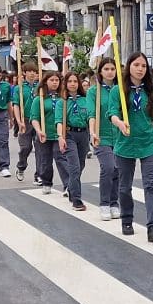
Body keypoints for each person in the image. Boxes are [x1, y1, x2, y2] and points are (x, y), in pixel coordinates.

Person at [109, 52, 153, 242]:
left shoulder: (150, 90)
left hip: (148, 143)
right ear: (129, 67)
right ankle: (127, 219)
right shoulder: (118, 91)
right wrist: (120, 123)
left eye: (143, 66)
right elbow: (112, 113)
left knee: (151, 185)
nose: (140, 69)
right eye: (136, 65)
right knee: (124, 187)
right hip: (125, 144)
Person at [88, 58, 121, 221]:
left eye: (112, 69)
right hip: (102, 136)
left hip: (120, 137)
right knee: (108, 168)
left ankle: (115, 203)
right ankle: (104, 204)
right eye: (106, 68)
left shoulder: (121, 90)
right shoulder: (94, 92)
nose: (110, 71)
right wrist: (93, 132)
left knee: (118, 170)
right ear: (100, 72)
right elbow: (92, 114)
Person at [55, 71, 90, 212]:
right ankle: (76, 199)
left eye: (75, 81)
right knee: (74, 167)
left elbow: (91, 117)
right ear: (65, 84)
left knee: (81, 165)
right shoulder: (62, 102)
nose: (73, 84)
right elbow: (59, 121)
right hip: (69, 134)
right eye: (70, 81)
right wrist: (60, 137)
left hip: (83, 134)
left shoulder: (86, 100)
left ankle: (70, 187)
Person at [30, 72, 61, 194]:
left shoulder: (63, 98)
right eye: (52, 80)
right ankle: (47, 182)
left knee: (61, 159)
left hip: (59, 135)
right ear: (46, 82)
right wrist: (39, 131)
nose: (54, 82)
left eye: (57, 80)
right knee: (46, 161)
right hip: (45, 135)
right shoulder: (39, 99)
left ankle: (68, 184)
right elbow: (34, 118)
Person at [12, 64, 40, 182]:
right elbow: (16, 105)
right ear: (24, 73)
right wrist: (19, 121)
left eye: (34, 71)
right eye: (29, 71)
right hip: (25, 120)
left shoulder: (41, 86)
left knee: (40, 148)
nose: (32, 73)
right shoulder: (19, 88)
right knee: (26, 147)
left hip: (38, 120)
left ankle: (39, 175)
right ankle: (21, 166)